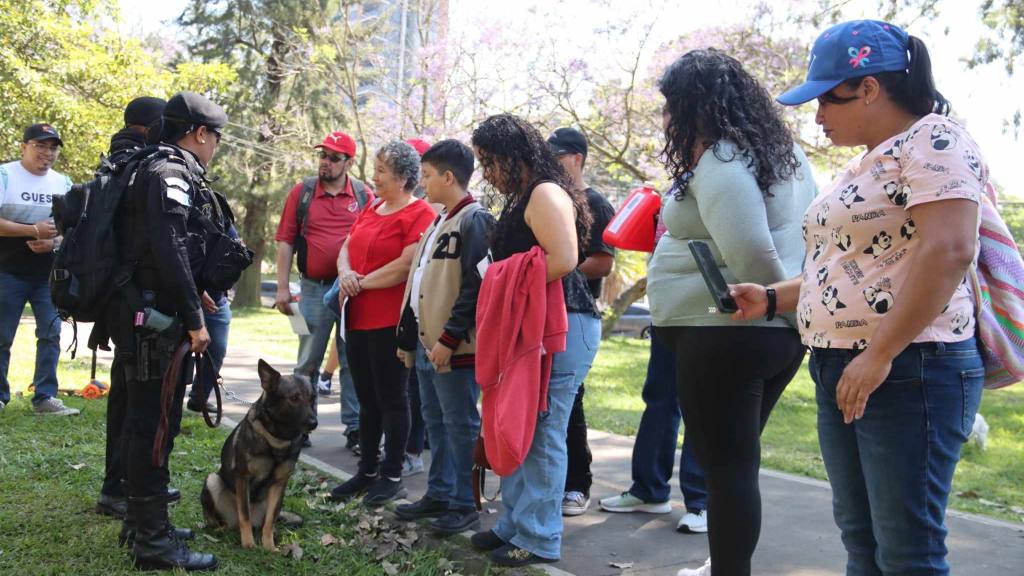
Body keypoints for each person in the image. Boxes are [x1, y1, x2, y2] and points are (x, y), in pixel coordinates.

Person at [732, 20, 986, 576]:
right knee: (862, 540)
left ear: (868, 87)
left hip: (909, 367)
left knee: (906, 551)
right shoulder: (864, 161)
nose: (817, 116)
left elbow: (948, 250)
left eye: (826, 99)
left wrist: (878, 355)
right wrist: (771, 298)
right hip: (846, 364)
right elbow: (854, 269)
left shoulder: (934, 140)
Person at [647, 50, 817, 576]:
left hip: (726, 329)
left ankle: (728, 570)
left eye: (670, 105)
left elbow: (751, 254)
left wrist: (786, 310)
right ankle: (723, 563)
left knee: (728, 468)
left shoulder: (722, 158)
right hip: (762, 334)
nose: (665, 118)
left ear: (695, 104)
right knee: (735, 464)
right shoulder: (782, 154)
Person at [103, 91, 229, 571]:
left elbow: (155, 250)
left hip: (140, 308)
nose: (215, 146)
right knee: (153, 426)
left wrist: (191, 294)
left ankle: (141, 523)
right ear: (199, 133)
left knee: (143, 420)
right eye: (215, 137)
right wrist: (196, 320)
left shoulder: (143, 166)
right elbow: (170, 246)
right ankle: (153, 542)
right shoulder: (171, 172)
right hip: (154, 321)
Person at [468, 113, 598, 567]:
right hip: (532, 326)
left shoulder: (544, 192)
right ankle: (512, 526)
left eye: (489, 162)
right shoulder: (525, 194)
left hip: (563, 325)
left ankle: (540, 536)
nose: (485, 173)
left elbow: (564, 258)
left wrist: (501, 280)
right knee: (517, 424)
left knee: (542, 431)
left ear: (512, 155)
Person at [394, 139, 496, 535]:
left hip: (452, 347)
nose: (423, 182)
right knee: (435, 422)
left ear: (449, 177)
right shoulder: (438, 221)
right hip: (426, 343)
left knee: (459, 423)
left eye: (428, 175)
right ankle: (439, 492)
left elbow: (476, 285)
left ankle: (464, 501)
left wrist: (450, 339)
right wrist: (409, 337)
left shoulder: (475, 220)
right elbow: (420, 282)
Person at [328, 140, 435, 506]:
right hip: (356, 316)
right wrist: (345, 273)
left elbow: (407, 264)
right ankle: (367, 470)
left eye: (381, 171)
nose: (373, 177)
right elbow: (347, 244)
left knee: (393, 397)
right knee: (366, 397)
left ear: (404, 178)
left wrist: (361, 282)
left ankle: (392, 474)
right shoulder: (373, 207)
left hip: (390, 320)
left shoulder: (419, 213)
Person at [599, 207, 709, 534]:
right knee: (659, 399)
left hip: (705, 313)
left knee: (701, 406)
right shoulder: (676, 187)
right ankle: (648, 489)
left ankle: (701, 502)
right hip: (666, 313)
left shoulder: (723, 176)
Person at [96, 96, 175, 519]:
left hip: (115, 298)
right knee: (134, 400)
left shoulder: (115, 161)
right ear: (151, 126)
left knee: (126, 395)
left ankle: (122, 483)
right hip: (132, 299)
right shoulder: (140, 166)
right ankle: (120, 487)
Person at [274, 131, 370, 449]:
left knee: (352, 360)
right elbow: (286, 240)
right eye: (322, 155)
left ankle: (355, 429)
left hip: (351, 292)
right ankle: (300, 426)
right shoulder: (302, 192)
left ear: (348, 162)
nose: (325, 162)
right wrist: (283, 288)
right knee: (307, 361)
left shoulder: (362, 195)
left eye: (333, 157)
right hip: (312, 289)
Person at [547, 127, 615, 516]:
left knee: (570, 403)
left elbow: (604, 260)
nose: (550, 166)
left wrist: (560, 270)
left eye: (556, 158)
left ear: (576, 158)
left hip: (578, 316)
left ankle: (577, 485)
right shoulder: (549, 200)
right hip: (546, 314)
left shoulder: (595, 203)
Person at [0, 123, 75, 415]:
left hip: (48, 276)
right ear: (23, 147)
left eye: (53, 147)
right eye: (40, 145)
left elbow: (72, 231)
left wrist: (54, 241)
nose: (47, 153)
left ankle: (45, 397)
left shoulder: (64, 183)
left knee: (51, 333)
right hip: (6, 272)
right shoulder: (5, 176)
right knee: (2, 336)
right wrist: (31, 229)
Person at [401, 136, 432, 477]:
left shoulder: (432, 208)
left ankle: (414, 450)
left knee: (419, 389)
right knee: (408, 385)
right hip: (406, 310)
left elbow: (410, 258)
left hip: (430, 314)